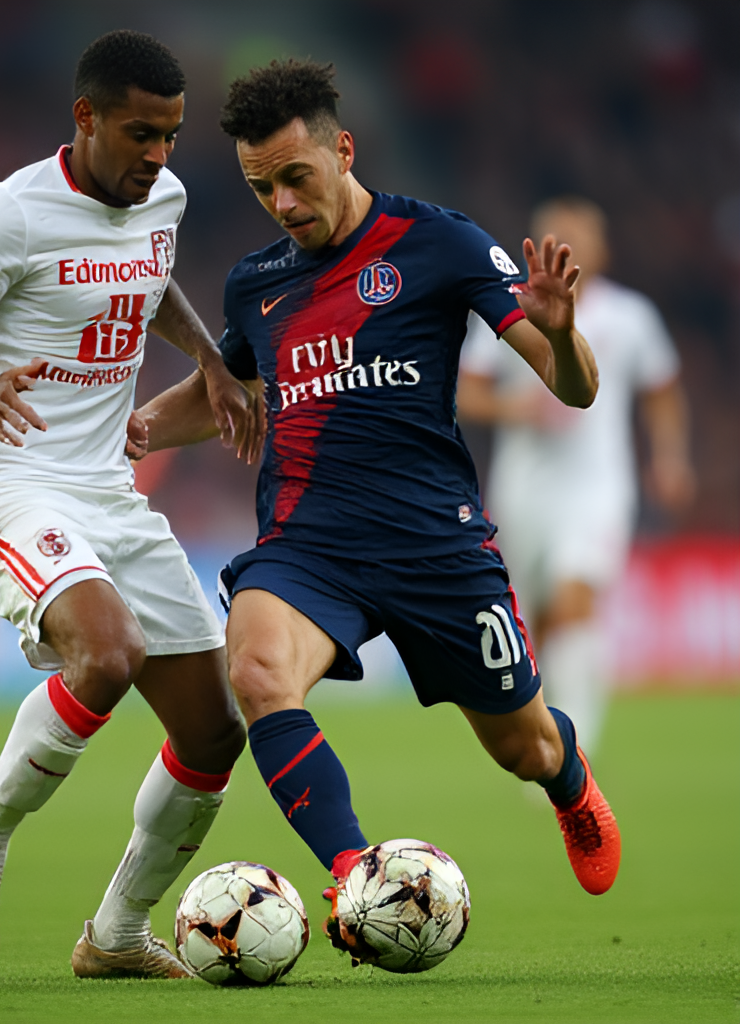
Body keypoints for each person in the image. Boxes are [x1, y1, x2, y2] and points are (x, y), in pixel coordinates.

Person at [133, 59, 622, 960]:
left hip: (436, 547)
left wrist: (559, 331)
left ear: (344, 150)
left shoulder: (440, 243)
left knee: (522, 747)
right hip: (308, 544)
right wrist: (127, 432)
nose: (282, 204)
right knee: (257, 671)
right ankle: (357, 873)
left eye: (295, 177)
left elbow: (572, 387)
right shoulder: (255, 283)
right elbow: (223, 393)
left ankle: (568, 774)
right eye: (261, 188)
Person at [0, 31, 255, 978]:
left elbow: (149, 278)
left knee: (214, 732)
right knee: (107, 654)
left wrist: (208, 358)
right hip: (10, 484)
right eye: (141, 134)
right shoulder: (8, 214)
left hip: (108, 489)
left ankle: (115, 935)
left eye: (171, 136)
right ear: (86, 118)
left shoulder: (163, 197)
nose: (159, 155)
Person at [458, 197, 694, 752]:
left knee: (574, 597)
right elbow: (466, 392)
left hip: (599, 489)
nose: (565, 246)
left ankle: (574, 746)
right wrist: (515, 408)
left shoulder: (630, 317)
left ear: (601, 249)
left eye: (577, 237)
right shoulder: (508, 310)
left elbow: (662, 391)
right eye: (553, 236)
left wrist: (670, 456)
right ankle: (545, 740)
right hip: (524, 490)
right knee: (535, 620)